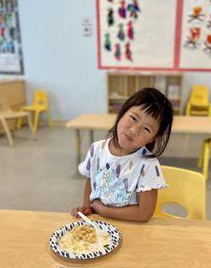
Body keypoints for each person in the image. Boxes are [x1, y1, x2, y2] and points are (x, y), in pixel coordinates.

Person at [71, 87, 173, 222]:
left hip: (130, 227)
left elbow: (144, 213)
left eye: (147, 128)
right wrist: (86, 210)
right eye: (133, 118)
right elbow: (91, 181)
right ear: (123, 111)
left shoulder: (147, 165)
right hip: (99, 226)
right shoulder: (96, 149)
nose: (134, 130)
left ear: (153, 138)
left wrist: (106, 211)